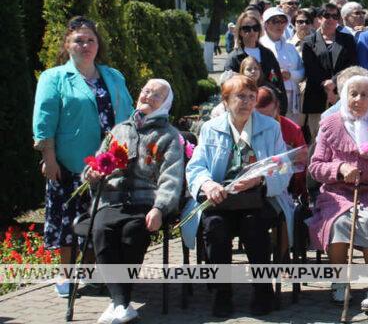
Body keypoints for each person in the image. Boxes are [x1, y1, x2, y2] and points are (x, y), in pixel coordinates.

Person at [32, 16, 133, 298]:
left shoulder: (113, 76)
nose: (85, 45)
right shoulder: (53, 78)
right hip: (70, 166)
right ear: (67, 44)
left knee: (98, 222)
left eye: (90, 40)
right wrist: (49, 158)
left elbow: (128, 115)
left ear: (98, 44)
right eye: (79, 40)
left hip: (109, 167)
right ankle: (65, 274)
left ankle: (91, 271)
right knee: (67, 223)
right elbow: (44, 121)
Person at [183, 75, 295, 317]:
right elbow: (196, 167)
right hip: (221, 200)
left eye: (251, 97)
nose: (246, 102)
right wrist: (208, 184)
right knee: (215, 228)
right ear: (226, 101)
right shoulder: (210, 128)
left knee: (254, 226)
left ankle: (262, 291)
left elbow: (283, 167)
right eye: (240, 97)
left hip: (258, 198)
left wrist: (261, 179)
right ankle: (222, 293)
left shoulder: (271, 127)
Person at [87, 79, 184, 324]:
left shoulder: (169, 136)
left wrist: (160, 208)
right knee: (101, 229)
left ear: (166, 104)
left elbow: (171, 178)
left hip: (145, 203)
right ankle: (121, 304)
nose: (149, 96)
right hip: (112, 199)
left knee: (132, 231)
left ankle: (118, 303)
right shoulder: (119, 130)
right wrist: (92, 175)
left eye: (157, 95)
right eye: (146, 91)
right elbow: (99, 162)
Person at [307, 74, 368, 313]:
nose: (359, 99)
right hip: (337, 192)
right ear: (344, 96)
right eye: (354, 94)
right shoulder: (329, 125)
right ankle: (340, 280)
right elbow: (315, 167)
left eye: (365, 94)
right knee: (338, 221)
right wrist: (339, 168)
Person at [301, 3, 358, 141]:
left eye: (335, 16)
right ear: (319, 18)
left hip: (341, 94)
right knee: (318, 138)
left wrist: (333, 83)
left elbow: (351, 66)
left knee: (343, 137)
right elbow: (311, 69)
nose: (331, 19)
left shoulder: (347, 39)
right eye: (327, 15)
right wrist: (327, 89)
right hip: (316, 96)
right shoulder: (308, 42)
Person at [255, 85, 308, 201]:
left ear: (277, 108)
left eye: (268, 116)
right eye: (259, 116)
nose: (264, 122)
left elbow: (301, 164)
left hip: (285, 183)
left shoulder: (292, 129)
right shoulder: (247, 128)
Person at [259, 7, 305, 125]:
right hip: (270, 97)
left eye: (282, 21)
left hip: (293, 98)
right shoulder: (260, 46)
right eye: (275, 21)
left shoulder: (290, 47)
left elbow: (302, 71)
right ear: (266, 24)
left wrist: (290, 74)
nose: (279, 25)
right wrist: (277, 75)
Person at [223, 10, 284, 88]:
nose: (252, 31)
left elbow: (279, 83)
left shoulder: (268, 54)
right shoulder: (234, 58)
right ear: (240, 32)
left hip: (268, 98)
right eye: (246, 29)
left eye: (255, 28)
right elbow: (227, 86)